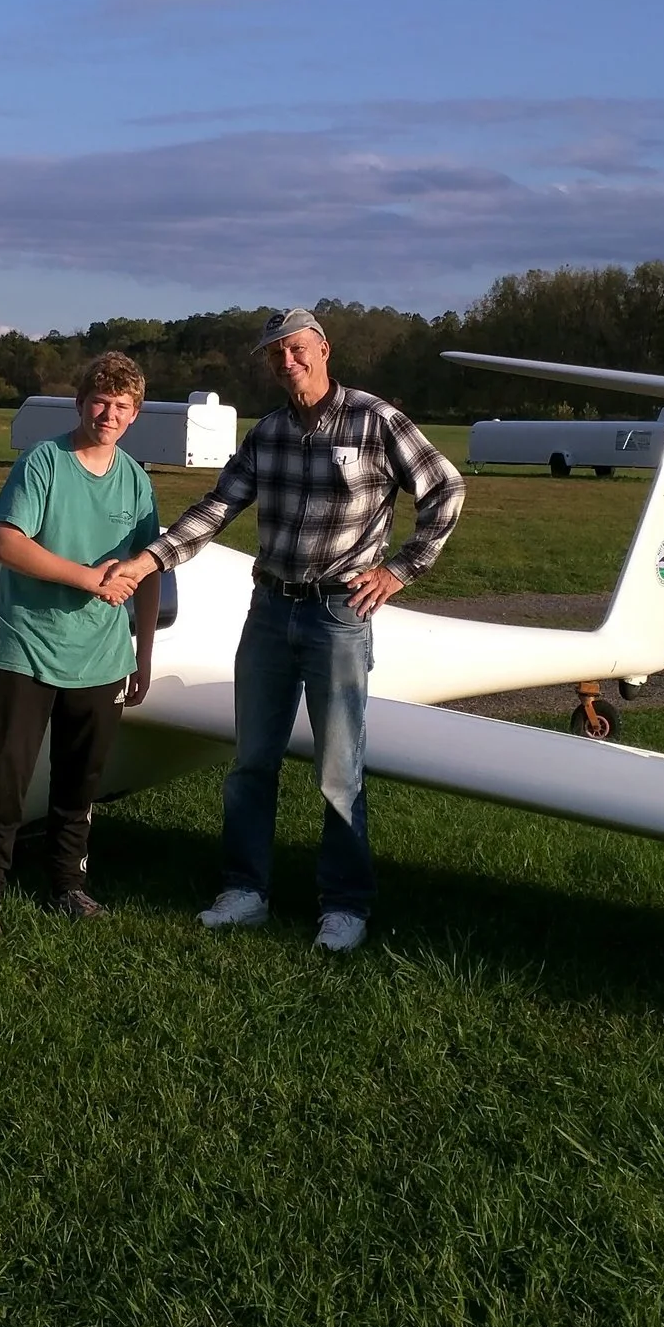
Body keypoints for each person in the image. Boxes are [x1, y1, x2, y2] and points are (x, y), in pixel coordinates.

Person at [106, 308, 462, 953]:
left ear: (323, 350)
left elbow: (446, 490)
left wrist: (401, 570)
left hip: (339, 615)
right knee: (251, 762)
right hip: (269, 611)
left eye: (296, 349)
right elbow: (218, 507)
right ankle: (244, 892)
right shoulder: (267, 432)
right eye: (275, 354)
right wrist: (149, 559)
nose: (287, 361)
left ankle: (345, 905)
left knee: (337, 768)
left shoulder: (375, 420)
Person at [0, 351, 163, 937]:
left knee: (80, 783)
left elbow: (147, 571)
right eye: (100, 401)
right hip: (27, 647)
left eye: (122, 406)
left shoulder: (136, 479)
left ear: (134, 416)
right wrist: (87, 577)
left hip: (102, 657)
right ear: (80, 403)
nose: (109, 413)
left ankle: (69, 884)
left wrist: (141, 654)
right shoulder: (43, 462)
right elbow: (6, 543)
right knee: (8, 779)